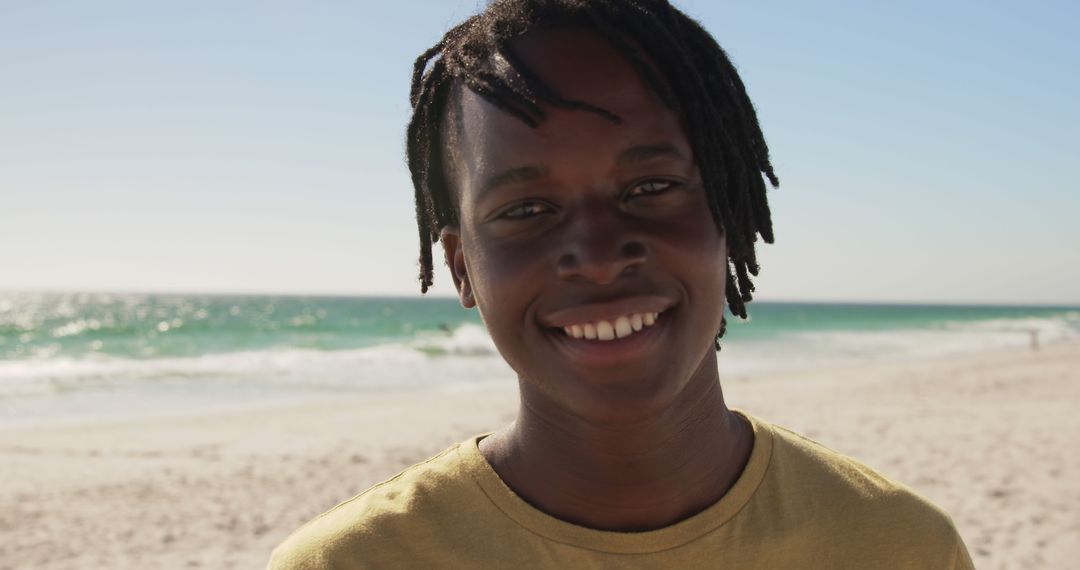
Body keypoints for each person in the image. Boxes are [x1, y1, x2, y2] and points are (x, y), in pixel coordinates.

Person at [269, 1, 973, 567]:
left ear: (729, 212)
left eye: (651, 186)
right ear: (462, 267)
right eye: (527, 210)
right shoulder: (351, 563)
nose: (600, 256)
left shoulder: (898, 547)